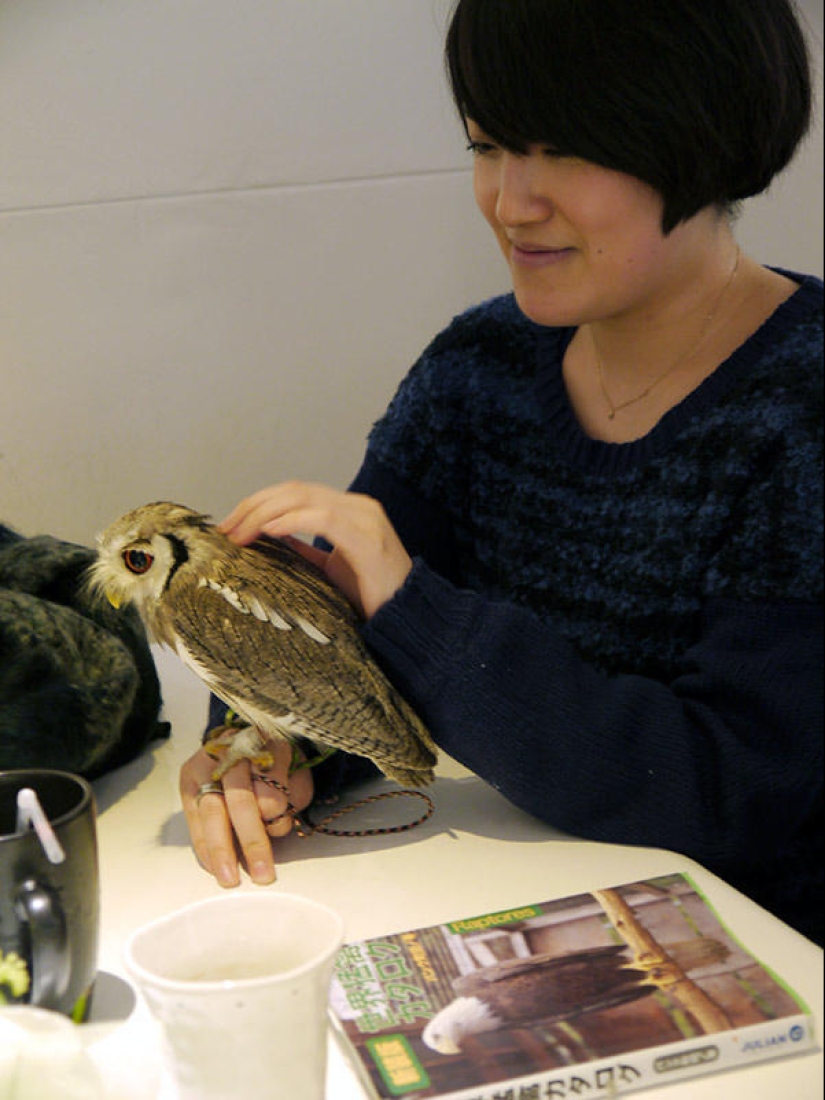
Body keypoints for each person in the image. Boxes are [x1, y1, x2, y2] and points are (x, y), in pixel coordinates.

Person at [180, 0, 823, 944]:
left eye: (563, 150)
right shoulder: (481, 365)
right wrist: (271, 742)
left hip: (761, 960)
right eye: (488, 146)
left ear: (702, 140)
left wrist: (411, 607)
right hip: (509, 908)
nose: (509, 199)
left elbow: (736, 788)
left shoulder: (800, 407)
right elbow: (347, 635)